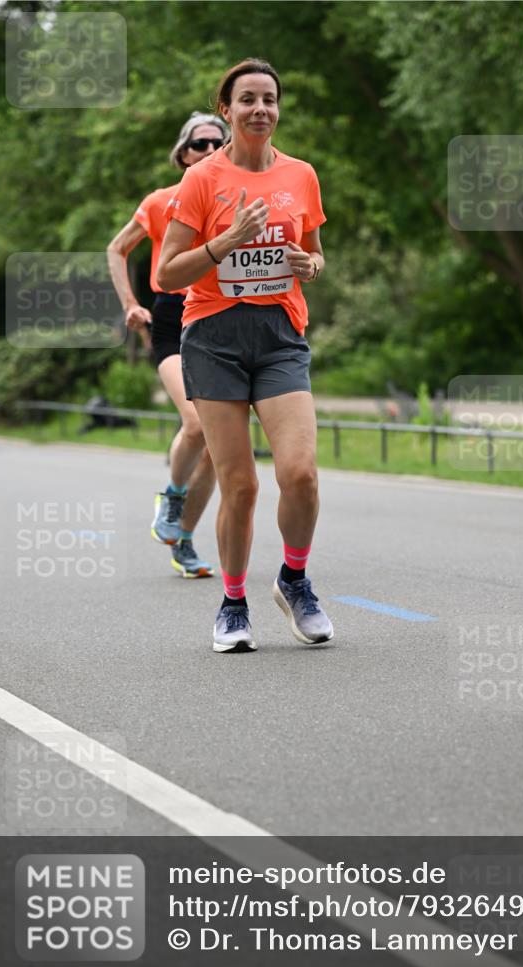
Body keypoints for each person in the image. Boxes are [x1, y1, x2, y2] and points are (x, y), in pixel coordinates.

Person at [157, 58, 334, 652]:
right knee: (241, 485)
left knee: (300, 473)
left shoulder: (301, 175)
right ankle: (233, 604)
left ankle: (294, 580)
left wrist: (311, 265)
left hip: (280, 337)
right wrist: (227, 240)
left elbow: (314, 252)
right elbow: (167, 273)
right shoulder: (202, 179)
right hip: (214, 340)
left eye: (269, 99)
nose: (260, 109)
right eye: (248, 99)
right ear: (226, 109)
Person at [107, 112, 229, 578]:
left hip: (220, 317)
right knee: (196, 422)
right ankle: (173, 498)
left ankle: (185, 541)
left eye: (218, 142)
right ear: (183, 154)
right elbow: (117, 248)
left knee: (218, 447)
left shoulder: (236, 202)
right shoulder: (161, 201)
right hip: (172, 318)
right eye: (200, 144)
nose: (210, 150)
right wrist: (129, 304)